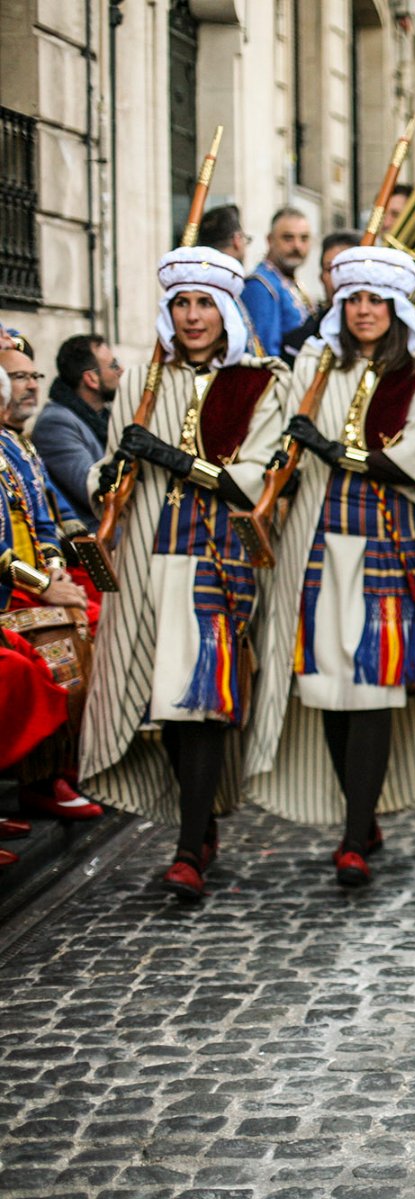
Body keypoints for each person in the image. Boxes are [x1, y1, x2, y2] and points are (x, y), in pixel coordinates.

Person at [79, 248, 291, 900]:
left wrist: (168, 455)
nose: (192, 316)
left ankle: (186, 849)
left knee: (199, 703)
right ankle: (198, 827)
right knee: (162, 705)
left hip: (218, 558)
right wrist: (108, 476)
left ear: (226, 311)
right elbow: (107, 471)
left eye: (204, 303)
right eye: (181, 304)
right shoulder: (143, 380)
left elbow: (253, 478)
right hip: (148, 557)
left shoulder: (262, 382)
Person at [241, 247, 415, 887]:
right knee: (328, 688)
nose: (363, 311)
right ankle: (362, 818)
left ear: (396, 307)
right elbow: (282, 439)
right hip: (317, 540)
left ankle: (355, 833)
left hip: (386, 539)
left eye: (376, 300)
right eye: (354, 299)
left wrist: (336, 452)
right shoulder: (313, 365)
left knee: (375, 688)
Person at [2, 356, 103, 825]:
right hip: (12, 592)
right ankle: (42, 778)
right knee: (53, 647)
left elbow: (47, 520)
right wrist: (45, 586)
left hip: (33, 583)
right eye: (15, 377)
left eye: (29, 376)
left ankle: (74, 763)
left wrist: (57, 572)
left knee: (96, 616)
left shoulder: (20, 446)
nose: (25, 387)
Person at [34, 336, 119, 529]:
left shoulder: (105, 417)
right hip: (95, 543)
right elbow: (94, 490)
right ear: (91, 379)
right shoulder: (56, 423)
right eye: (113, 366)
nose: (120, 371)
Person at [242, 207, 316, 356]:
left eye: (304, 238)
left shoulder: (289, 281)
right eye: (288, 238)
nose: (297, 246)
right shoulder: (260, 285)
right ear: (270, 240)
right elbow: (264, 354)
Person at [281, 231, 360, 363]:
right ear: (321, 277)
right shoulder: (298, 343)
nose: (338, 277)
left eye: (347, 268)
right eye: (330, 269)